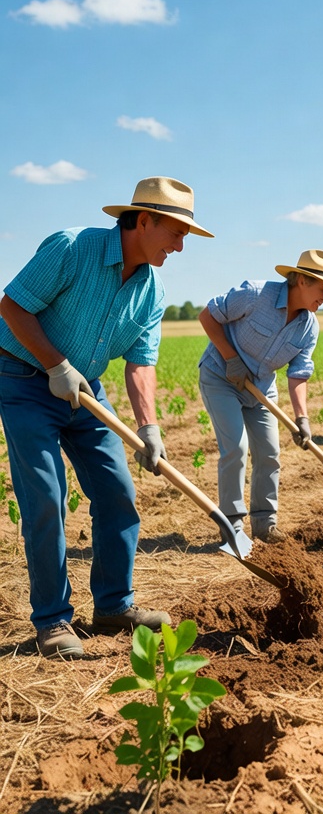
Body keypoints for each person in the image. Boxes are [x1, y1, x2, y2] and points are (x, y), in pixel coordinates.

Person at [0, 177, 213, 658]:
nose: (180, 247)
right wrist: (56, 366)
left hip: (86, 393)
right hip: (24, 380)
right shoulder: (72, 248)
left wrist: (149, 427)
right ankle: (52, 621)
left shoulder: (152, 290)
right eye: (176, 234)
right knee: (46, 498)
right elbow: (12, 306)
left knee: (118, 492)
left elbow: (141, 362)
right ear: (144, 221)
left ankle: (114, 606)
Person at [197, 250, 323, 543]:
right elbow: (208, 315)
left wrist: (302, 418)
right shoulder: (255, 295)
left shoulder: (309, 327)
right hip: (221, 377)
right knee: (236, 449)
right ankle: (232, 527)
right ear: (303, 281)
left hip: (261, 391)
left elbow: (298, 375)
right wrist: (231, 358)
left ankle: (265, 525)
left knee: (270, 453)